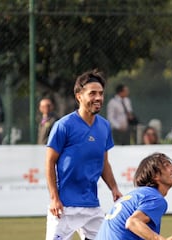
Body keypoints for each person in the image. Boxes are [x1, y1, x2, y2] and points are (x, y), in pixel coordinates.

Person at [45, 70, 122, 240]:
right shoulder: (63, 125)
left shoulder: (104, 126)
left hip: (92, 206)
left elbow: (103, 162)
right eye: (92, 93)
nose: (98, 98)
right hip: (65, 206)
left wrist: (114, 188)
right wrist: (54, 198)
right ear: (79, 96)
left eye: (101, 93)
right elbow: (50, 163)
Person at [95, 152, 172, 240]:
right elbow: (132, 222)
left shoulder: (137, 195)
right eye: (167, 165)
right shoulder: (155, 198)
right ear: (155, 175)